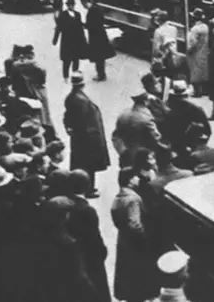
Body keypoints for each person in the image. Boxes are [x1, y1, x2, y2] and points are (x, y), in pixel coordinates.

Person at [111, 167, 159, 302]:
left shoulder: (119, 197)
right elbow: (135, 224)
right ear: (130, 180)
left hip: (124, 240)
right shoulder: (133, 199)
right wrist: (144, 239)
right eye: (135, 177)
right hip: (135, 244)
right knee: (139, 277)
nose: (138, 179)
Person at [63, 170, 112, 302]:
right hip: (90, 257)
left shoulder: (65, 203)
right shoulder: (87, 210)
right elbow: (94, 237)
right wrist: (102, 251)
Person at [63, 72, 110, 199]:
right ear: (82, 84)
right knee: (90, 165)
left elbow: (67, 117)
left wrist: (69, 129)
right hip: (88, 139)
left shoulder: (70, 97)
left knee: (80, 162)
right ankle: (89, 189)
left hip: (78, 138)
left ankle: (80, 185)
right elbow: (86, 121)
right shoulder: (81, 100)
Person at [164, 80, 211, 157]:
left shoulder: (169, 111)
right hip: (184, 145)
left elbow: (207, 131)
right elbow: (207, 131)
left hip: (189, 145)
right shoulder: (196, 109)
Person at [10, 45, 53, 127]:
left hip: (26, 92)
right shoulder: (34, 64)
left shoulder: (17, 65)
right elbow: (42, 72)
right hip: (38, 90)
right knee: (44, 114)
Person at [113, 91, 164, 159]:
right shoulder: (147, 116)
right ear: (145, 102)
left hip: (125, 149)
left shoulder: (123, 113)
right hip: (142, 153)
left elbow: (116, 135)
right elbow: (156, 136)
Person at [82, 0, 116, 81]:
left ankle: (100, 75)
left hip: (96, 38)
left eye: (83, 4)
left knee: (98, 57)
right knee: (101, 57)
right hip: (101, 36)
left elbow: (91, 25)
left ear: (85, 2)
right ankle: (102, 74)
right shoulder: (97, 9)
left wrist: (84, 25)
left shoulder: (92, 11)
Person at [53, 0, 88, 80]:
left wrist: (84, 41)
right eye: (69, 5)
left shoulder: (77, 14)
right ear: (67, 6)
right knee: (66, 60)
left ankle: (75, 74)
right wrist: (55, 39)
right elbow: (59, 28)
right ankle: (65, 76)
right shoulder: (63, 15)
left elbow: (80, 28)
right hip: (67, 41)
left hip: (76, 41)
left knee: (76, 58)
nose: (71, 6)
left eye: (72, 5)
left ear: (74, 5)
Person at [186, 8, 210, 97]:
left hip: (195, 54)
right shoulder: (206, 27)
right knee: (204, 72)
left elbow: (193, 43)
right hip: (204, 52)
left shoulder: (194, 29)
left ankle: (197, 92)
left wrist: (189, 50)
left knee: (195, 72)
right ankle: (204, 90)